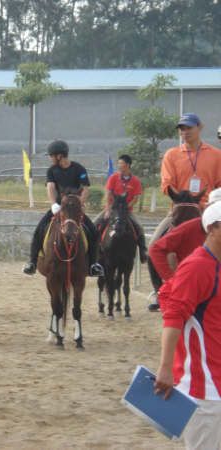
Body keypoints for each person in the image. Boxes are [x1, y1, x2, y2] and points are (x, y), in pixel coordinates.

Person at [155, 200, 221, 450]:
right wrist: (165, 368)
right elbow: (173, 317)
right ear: (213, 228)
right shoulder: (196, 267)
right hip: (204, 390)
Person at [23, 140, 104, 277]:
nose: (50, 158)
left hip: (75, 209)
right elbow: (51, 187)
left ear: (59, 156)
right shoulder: (52, 170)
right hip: (59, 207)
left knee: (94, 232)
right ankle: (32, 262)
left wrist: (80, 203)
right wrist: (54, 203)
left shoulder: (79, 169)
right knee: (39, 230)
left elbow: (85, 189)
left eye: (51, 155)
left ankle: (93, 264)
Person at [147, 188, 221, 312]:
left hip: (197, 203)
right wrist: (172, 280)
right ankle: (158, 290)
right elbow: (167, 184)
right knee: (153, 242)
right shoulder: (192, 226)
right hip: (180, 204)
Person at [152, 113, 221, 244]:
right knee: (153, 247)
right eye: (182, 128)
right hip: (180, 211)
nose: (185, 132)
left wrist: (213, 204)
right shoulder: (171, 155)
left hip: (209, 211)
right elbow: (167, 184)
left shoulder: (217, 155)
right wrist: (185, 201)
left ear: (200, 127)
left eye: (189, 128)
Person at [94, 154, 147, 263]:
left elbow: (136, 198)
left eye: (121, 163)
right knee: (95, 223)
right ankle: (95, 250)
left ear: (128, 165)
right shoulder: (113, 177)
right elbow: (108, 194)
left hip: (126, 211)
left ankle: (143, 252)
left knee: (139, 227)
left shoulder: (135, 181)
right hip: (112, 209)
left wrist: (125, 208)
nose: (119, 166)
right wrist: (108, 209)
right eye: (118, 163)